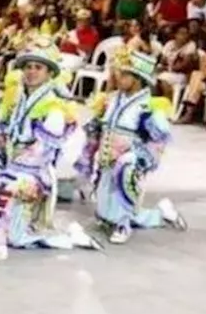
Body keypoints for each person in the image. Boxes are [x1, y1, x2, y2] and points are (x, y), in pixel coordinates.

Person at [0, 38, 103, 263]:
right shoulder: (17, 99)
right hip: (14, 168)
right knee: (19, 239)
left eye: (38, 67)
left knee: (2, 186)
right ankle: (71, 237)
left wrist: (10, 171)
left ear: (49, 73)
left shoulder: (54, 107)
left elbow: (42, 153)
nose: (31, 72)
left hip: (35, 175)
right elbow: (2, 132)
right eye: (28, 67)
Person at [74, 50, 188, 244]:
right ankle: (162, 214)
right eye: (119, 73)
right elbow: (97, 128)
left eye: (125, 74)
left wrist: (141, 159)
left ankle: (123, 224)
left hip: (129, 161)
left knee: (124, 174)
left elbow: (158, 139)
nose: (119, 78)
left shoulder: (148, 106)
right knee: (105, 214)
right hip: (108, 158)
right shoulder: (111, 99)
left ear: (138, 79)